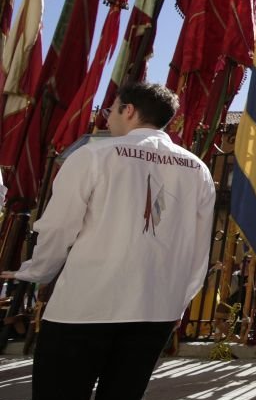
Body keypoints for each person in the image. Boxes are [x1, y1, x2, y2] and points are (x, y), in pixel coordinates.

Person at [1, 83, 215, 400]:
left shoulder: (93, 155)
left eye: (110, 110)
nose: (107, 118)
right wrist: (178, 303)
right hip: (155, 308)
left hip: (85, 307)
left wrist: (37, 271)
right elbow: (198, 248)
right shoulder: (198, 169)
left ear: (128, 110)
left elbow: (58, 227)